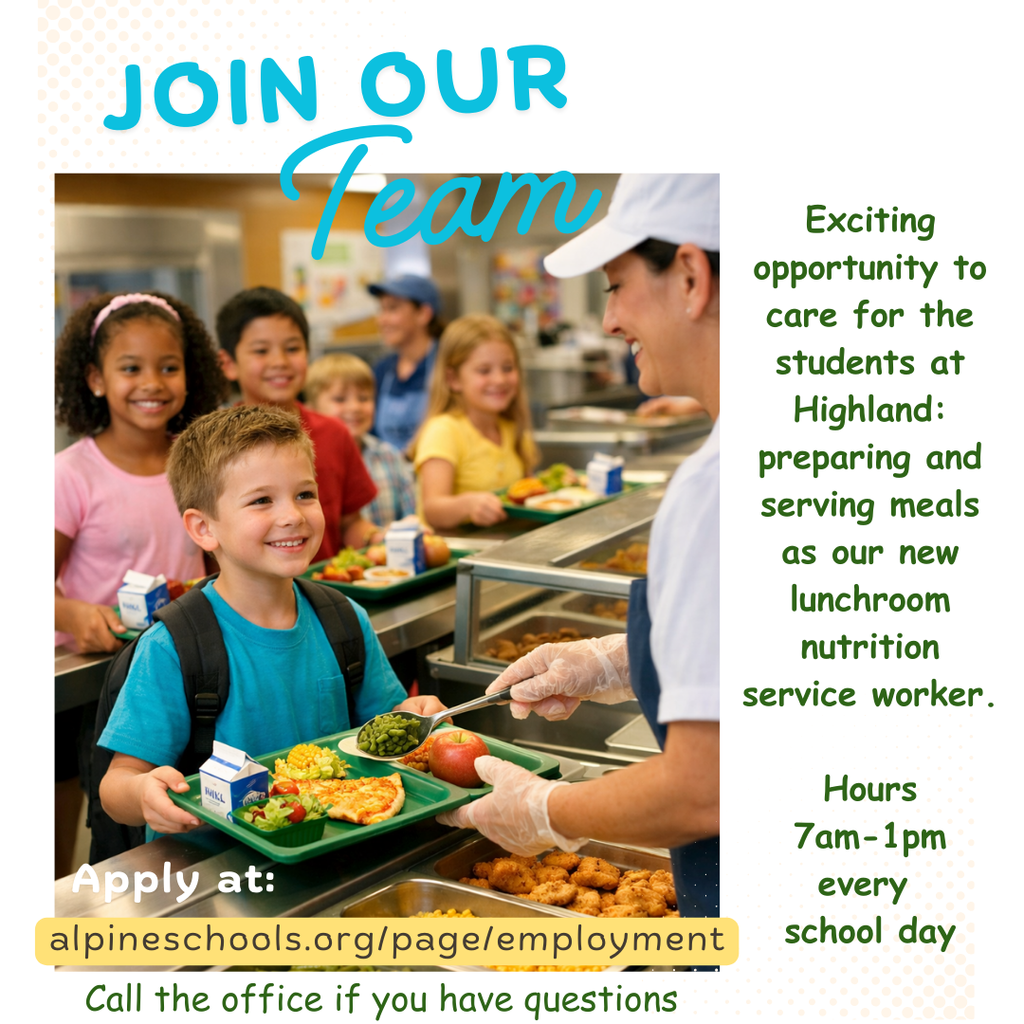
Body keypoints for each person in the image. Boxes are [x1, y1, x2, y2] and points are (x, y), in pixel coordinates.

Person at [438, 174, 721, 920]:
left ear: (691, 277)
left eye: (616, 285)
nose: (610, 319)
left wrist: (548, 810)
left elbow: (704, 786)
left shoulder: (718, 486)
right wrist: (612, 662)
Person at [97, 405, 446, 834]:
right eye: (262, 500)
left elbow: (385, 725)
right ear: (204, 528)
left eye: (305, 494)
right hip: (217, 867)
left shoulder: (344, 620)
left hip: (333, 846)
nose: (293, 516)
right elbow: (118, 783)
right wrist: (142, 793)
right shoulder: (173, 647)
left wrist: (414, 715)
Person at [53, 290, 228, 877]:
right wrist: (72, 611)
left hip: (176, 670)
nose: (151, 382)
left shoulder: (197, 463)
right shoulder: (71, 473)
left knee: (169, 804)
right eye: (130, 368)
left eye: (168, 367)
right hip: (91, 677)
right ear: (95, 379)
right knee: (92, 813)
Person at [215, 287, 380, 560]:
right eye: (261, 350)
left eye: (292, 348)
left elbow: (350, 523)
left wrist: (376, 538)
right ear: (229, 363)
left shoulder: (335, 433)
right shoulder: (216, 444)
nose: (280, 362)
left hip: (324, 594)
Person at [410, 314, 538, 530]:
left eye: (507, 368)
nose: (499, 380)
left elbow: (529, 496)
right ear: (453, 379)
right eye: (484, 371)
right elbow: (433, 509)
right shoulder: (444, 431)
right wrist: (467, 506)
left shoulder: (514, 431)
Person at [305, 352, 416, 528]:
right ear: (311, 408)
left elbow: (411, 511)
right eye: (340, 399)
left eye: (364, 398)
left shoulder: (390, 455)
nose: (355, 407)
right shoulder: (309, 461)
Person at [367, 274, 443, 452]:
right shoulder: (382, 370)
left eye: (392, 309)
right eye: (381, 309)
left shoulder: (446, 363)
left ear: (423, 314)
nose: (382, 320)